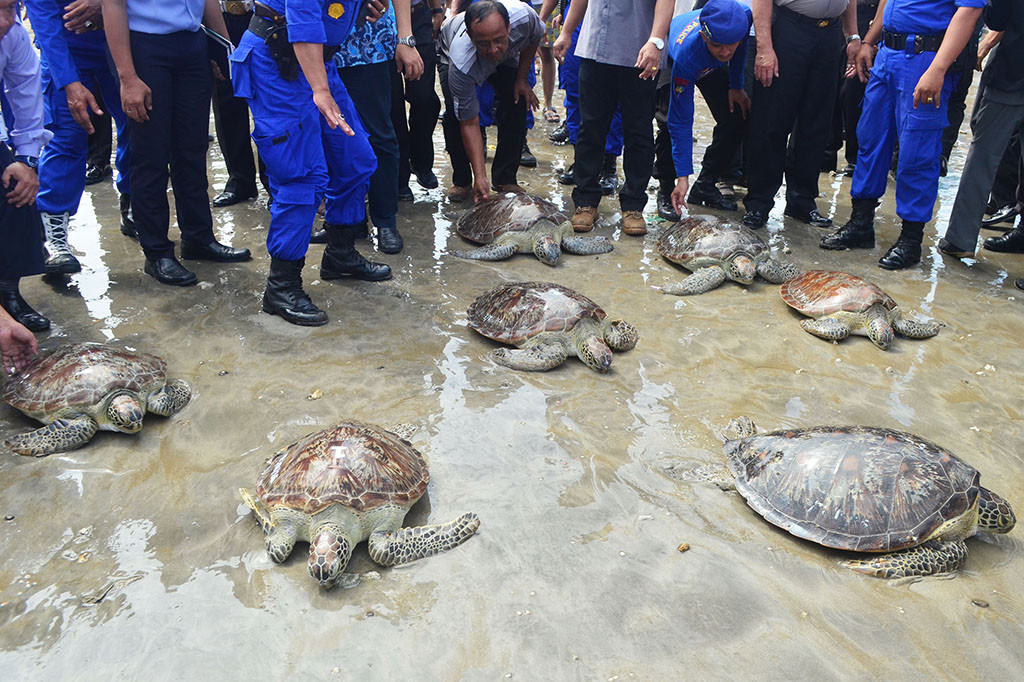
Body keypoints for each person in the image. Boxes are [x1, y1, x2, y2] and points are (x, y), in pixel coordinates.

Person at [230, 0, 390, 326]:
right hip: (278, 60)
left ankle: (340, 254)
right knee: (301, 176)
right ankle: (281, 285)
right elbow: (302, 13)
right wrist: (320, 88)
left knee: (355, 159)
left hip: (319, 61)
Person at [820, 0, 985, 270]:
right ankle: (861, 222)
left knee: (916, 152)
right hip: (888, 54)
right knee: (871, 140)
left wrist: (938, 69)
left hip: (924, 57)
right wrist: (869, 41)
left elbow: (969, 11)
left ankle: (910, 240)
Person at [102, 0, 252, 287]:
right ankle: (157, 252)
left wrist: (223, 46)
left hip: (191, 44)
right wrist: (127, 77)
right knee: (151, 154)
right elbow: (113, 6)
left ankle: (198, 237)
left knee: (192, 149)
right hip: (145, 46)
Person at [25, 0, 135, 274]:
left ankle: (136, 206)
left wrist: (107, 3)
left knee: (136, 125)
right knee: (66, 138)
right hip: (65, 51)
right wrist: (69, 83)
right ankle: (55, 238)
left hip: (121, 42)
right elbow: (45, 20)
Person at [553, 0, 674, 236]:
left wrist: (656, 41)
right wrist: (567, 32)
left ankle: (633, 205)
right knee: (590, 128)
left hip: (640, 50)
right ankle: (585, 201)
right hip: (594, 47)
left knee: (638, 130)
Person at [740, 0, 858, 231]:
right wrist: (764, 48)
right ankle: (759, 202)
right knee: (772, 119)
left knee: (817, 121)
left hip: (830, 34)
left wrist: (852, 35)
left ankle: (802, 200)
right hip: (790, 29)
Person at [938, 0, 1024, 259]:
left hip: (1013, 74)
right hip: (1012, 70)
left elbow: (997, 18)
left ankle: (960, 239)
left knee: (984, 155)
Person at [336, 0, 422, 254]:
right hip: (319, 42)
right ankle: (348, 220)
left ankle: (385, 221)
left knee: (378, 135)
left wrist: (405, 38)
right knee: (336, 137)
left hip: (367, 42)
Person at [438, 0, 543, 203]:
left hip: (509, 58)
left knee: (517, 99)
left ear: (509, 27)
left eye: (498, 40)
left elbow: (534, 37)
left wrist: (521, 79)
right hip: (450, 53)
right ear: (471, 36)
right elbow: (470, 121)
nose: (493, 50)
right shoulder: (461, 63)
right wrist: (480, 176)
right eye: (484, 43)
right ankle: (462, 180)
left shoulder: (525, 18)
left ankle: (505, 178)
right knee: (456, 114)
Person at [666, 0, 752, 216]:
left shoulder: (744, 15)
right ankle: (668, 188)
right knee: (667, 123)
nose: (725, 52)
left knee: (738, 115)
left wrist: (736, 85)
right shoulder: (688, 56)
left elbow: (741, 49)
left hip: (708, 64)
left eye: (729, 44)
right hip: (674, 58)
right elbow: (681, 120)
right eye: (718, 45)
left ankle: (705, 184)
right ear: (705, 37)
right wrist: (683, 176)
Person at [0, 0, 54, 334]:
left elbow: (25, 93)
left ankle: (8, 290)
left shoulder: (14, 35)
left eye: (12, 8)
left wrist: (26, 159)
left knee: (16, 185)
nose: (7, 20)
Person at [540, 0, 622, 196]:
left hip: (617, 21)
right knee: (576, 94)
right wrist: (547, 19)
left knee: (615, 97)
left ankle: (608, 165)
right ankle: (582, 161)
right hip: (578, 19)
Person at [210, 0, 262, 207]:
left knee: (267, 105)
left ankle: (274, 183)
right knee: (226, 103)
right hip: (219, 19)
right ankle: (240, 180)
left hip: (262, 17)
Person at [391, 0, 443, 200]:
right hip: (379, 17)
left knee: (424, 97)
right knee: (392, 103)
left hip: (418, 12)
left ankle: (421, 161)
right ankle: (400, 178)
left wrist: (437, 8)